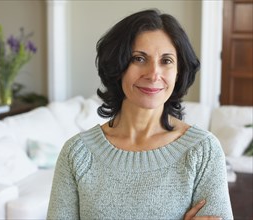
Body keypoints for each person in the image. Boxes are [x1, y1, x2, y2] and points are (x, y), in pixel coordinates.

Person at [47, 9, 233, 219]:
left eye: (166, 61)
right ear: (118, 66)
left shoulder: (203, 152)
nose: (154, 74)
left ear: (179, 71)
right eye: (139, 58)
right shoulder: (76, 154)